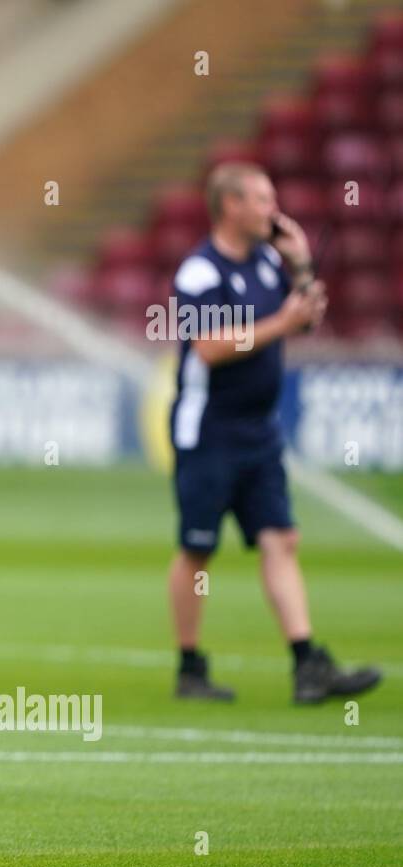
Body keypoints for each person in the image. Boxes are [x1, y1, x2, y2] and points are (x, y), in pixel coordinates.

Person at [167, 162, 382, 705]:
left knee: (281, 538)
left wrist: (303, 264)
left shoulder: (268, 260)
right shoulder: (199, 273)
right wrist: (281, 324)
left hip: (259, 430)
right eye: (262, 199)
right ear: (230, 206)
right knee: (198, 550)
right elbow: (209, 347)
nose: (273, 208)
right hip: (209, 430)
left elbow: (306, 317)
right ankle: (190, 667)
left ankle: (307, 662)